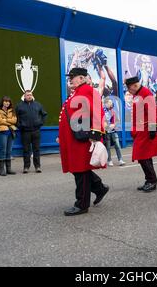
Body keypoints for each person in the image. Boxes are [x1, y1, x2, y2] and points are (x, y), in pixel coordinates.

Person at [58, 68, 109, 216]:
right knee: (79, 169)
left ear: (81, 78)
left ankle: (81, 204)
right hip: (73, 137)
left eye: (73, 77)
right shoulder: (78, 92)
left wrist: (95, 132)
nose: (71, 79)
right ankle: (99, 188)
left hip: (82, 137)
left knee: (80, 170)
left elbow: (98, 111)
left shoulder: (87, 90)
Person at [125, 76, 157, 193]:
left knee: (142, 156)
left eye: (130, 89)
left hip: (146, 129)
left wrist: (152, 129)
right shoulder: (137, 95)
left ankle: (152, 180)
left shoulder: (146, 93)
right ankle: (150, 180)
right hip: (141, 130)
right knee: (145, 157)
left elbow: (152, 111)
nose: (129, 92)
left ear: (135, 85)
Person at [15, 90, 47, 174]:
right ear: (24, 96)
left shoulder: (38, 105)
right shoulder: (19, 106)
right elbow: (15, 117)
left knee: (36, 149)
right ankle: (26, 167)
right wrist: (20, 126)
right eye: (27, 95)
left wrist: (40, 123)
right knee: (26, 150)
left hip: (36, 131)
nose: (29, 96)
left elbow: (44, 114)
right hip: (25, 132)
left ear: (32, 96)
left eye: (30, 95)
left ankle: (37, 167)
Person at [0, 96, 17, 176]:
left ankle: (9, 169)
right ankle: (2, 170)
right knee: (3, 150)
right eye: (5, 101)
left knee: (9, 151)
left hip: (11, 132)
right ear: (2, 102)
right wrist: (9, 122)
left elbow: (15, 120)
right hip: (2, 132)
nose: (7, 103)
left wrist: (5, 120)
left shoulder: (12, 111)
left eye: (8, 102)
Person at [103, 98, 125, 167]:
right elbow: (102, 120)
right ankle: (109, 160)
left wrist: (114, 125)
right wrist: (106, 126)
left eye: (111, 102)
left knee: (117, 145)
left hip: (113, 130)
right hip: (106, 131)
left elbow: (116, 120)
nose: (111, 104)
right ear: (106, 104)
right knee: (108, 147)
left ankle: (120, 159)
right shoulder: (103, 111)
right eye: (109, 102)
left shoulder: (113, 111)